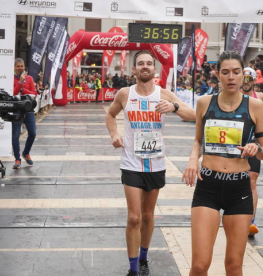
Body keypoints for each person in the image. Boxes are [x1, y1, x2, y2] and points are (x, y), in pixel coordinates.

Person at [105, 50, 195, 276]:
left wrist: (174, 107)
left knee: (147, 216)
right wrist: (114, 134)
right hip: (131, 162)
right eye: (140, 64)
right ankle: (133, 268)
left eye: (149, 64)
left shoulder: (164, 94)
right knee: (134, 217)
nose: (145, 67)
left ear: (155, 69)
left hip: (156, 163)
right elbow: (110, 115)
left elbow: (193, 115)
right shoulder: (125, 94)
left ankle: (143, 257)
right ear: (133, 70)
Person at [182, 51, 263, 275]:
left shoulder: (255, 106)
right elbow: (198, 141)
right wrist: (194, 159)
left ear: (243, 76)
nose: (231, 77)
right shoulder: (204, 103)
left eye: (236, 72)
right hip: (208, 185)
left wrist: (255, 148)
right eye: (225, 72)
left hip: (239, 188)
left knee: (233, 265)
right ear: (217, 75)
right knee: (200, 265)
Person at [241, 67, 263, 237]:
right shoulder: (234, 96)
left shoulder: (260, 98)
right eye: (244, 78)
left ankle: (251, 221)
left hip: (254, 142)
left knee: (252, 181)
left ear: (255, 81)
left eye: (250, 79)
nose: (247, 82)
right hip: (237, 143)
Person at [12, 58, 37, 169]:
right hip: (16, 110)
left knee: (33, 133)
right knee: (15, 136)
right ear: (14, 67)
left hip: (28, 109)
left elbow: (34, 93)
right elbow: (13, 92)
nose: (20, 68)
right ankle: (17, 159)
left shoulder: (30, 78)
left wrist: (23, 90)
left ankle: (26, 153)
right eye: (18, 66)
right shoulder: (11, 78)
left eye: (21, 66)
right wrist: (20, 82)